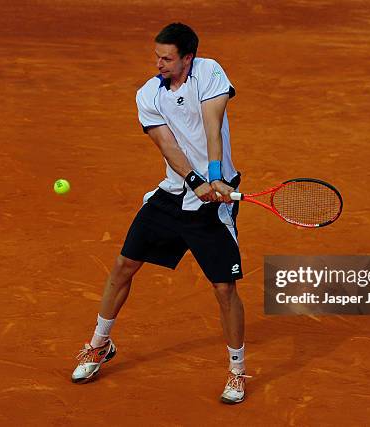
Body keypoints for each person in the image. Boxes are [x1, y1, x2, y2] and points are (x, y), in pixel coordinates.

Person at [71, 22, 249, 404]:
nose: (159, 64)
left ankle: (236, 370)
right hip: (172, 196)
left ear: (188, 58)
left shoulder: (209, 72)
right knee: (123, 265)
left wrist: (215, 176)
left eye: (168, 58)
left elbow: (212, 124)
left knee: (224, 288)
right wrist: (196, 181)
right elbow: (167, 145)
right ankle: (99, 344)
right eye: (157, 56)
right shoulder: (148, 94)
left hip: (212, 206)